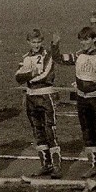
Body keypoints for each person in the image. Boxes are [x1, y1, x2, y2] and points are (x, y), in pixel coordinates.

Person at [51, 27, 96, 179]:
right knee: (87, 133)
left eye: (86, 39)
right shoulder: (78, 55)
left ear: (94, 39)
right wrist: (55, 44)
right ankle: (94, 165)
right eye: (81, 40)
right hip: (82, 100)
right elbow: (58, 59)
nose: (83, 43)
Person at [15, 29, 61, 178]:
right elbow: (17, 77)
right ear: (28, 42)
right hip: (31, 98)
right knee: (37, 131)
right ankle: (45, 164)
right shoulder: (25, 57)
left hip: (45, 96)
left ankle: (56, 166)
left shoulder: (47, 55)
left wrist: (29, 77)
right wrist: (30, 75)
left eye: (38, 42)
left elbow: (46, 75)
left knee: (50, 130)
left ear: (42, 42)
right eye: (33, 42)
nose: (36, 45)